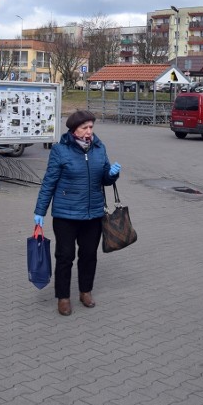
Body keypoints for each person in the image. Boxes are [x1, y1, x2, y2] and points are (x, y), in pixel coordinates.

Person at [33, 110, 121, 316]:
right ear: (74, 130)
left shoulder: (99, 148)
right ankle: (63, 297)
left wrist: (112, 175)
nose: (89, 132)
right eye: (84, 128)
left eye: (91, 127)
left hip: (93, 214)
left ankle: (85, 292)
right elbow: (49, 183)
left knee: (89, 255)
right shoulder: (60, 151)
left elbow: (105, 179)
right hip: (66, 215)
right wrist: (40, 211)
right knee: (65, 256)